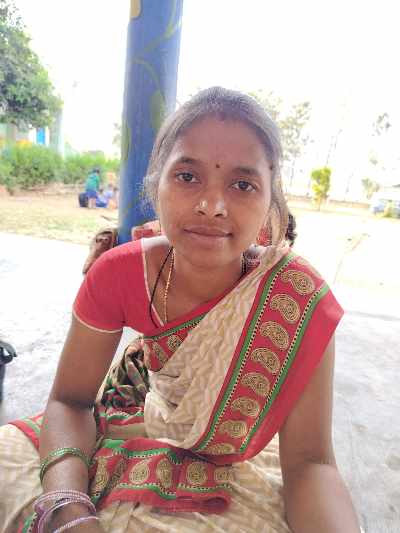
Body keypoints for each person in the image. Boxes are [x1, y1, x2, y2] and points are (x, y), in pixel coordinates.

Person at [0, 87, 361, 532]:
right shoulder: (118, 274)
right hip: (137, 412)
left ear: (271, 202)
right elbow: (69, 401)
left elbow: (310, 464)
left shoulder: (295, 300)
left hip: (237, 456)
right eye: (188, 176)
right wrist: (68, 507)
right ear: (157, 184)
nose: (212, 206)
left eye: (243, 185)